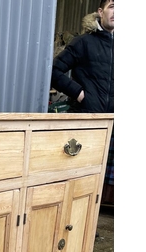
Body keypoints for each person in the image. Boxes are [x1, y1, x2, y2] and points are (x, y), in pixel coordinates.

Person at [51, 0, 114, 204]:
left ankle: (89, 229)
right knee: (79, 178)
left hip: (113, 124)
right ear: (100, 12)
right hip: (89, 120)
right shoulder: (84, 42)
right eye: (112, 6)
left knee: (101, 180)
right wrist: (78, 92)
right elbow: (54, 71)